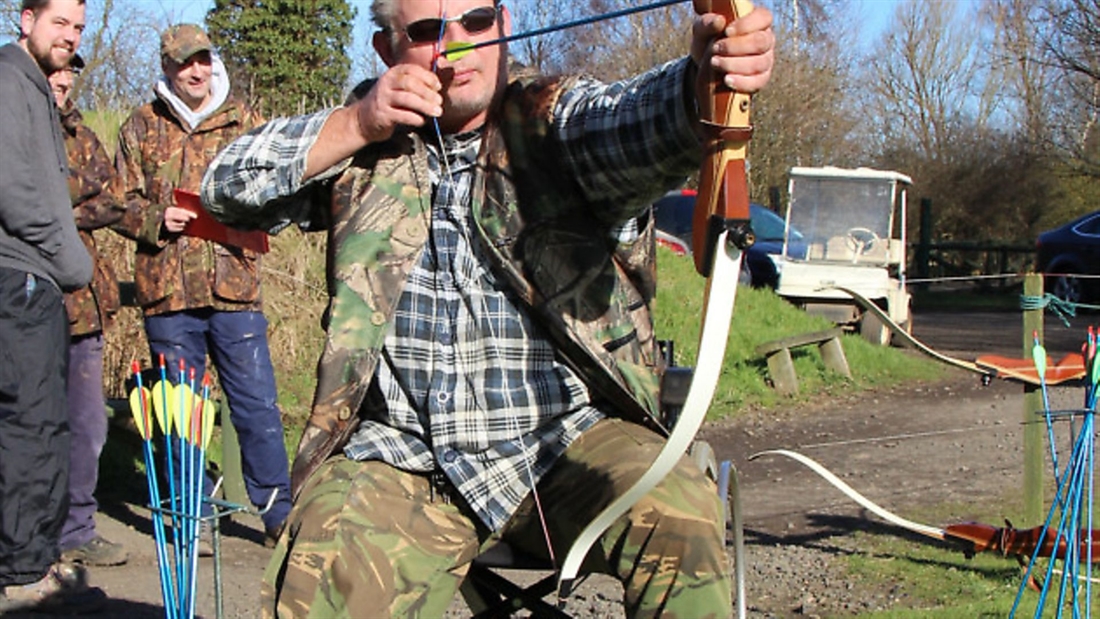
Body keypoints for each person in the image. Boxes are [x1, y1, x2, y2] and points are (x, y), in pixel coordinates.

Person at [203, 0, 774, 616]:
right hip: (403, 460)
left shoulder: (551, 122)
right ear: (387, 51)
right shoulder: (367, 143)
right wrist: (358, 123)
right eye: (426, 32)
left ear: (503, 25)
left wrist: (705, 80)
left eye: (476, 22)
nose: (455, 48)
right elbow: (223, 189)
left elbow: (637, 121)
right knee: (319, 580)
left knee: (679, 514)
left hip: (571, 444)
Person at [113, 23, 292, 548]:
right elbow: (115, 201)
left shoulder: (245, 121)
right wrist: (153, 218)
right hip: (167, 294)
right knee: (180, 413)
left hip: (234, 286)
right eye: (185, 62)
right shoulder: (141, 126)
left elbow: (277, 190)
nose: (197, 70)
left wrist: (247, 210)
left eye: (204, 59)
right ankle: (188, 512)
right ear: (166, 67)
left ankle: (277, 512)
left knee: (256, 404)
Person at [0, 0, 105, 613]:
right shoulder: (11, 80)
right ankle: (21, 571)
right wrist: (73, 263)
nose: (68, 36)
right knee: (31, 425)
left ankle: (30, 556)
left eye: (77, 28)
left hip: (31, 278)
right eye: (58, 22)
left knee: (35, 422)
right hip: (23, 280)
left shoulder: (33, 85)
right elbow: (15, 189)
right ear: (25, 18)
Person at [47, 53, 131, 568]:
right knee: (28, 422)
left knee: (87, 423)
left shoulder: (80, 134)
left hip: (82, 303)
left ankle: (76, 528)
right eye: (54, 70)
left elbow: (114, 199)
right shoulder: (15, 124)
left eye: (69, 72)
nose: (61, 79)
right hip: (25, 299)